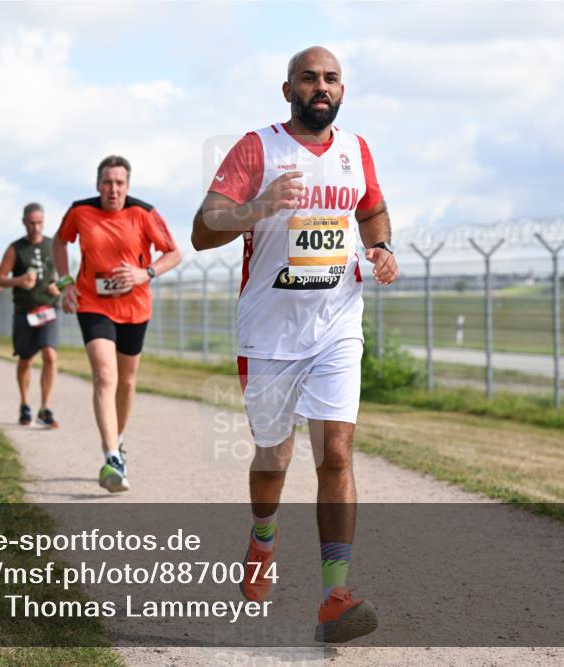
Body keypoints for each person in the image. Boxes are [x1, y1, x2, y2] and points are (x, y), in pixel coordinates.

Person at [191, 46, 398, 643]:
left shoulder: (356, 151)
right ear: (288, 90)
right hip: (269, 333)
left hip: (337, 324)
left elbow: (374, 211)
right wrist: (258, 206)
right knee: (272, 459)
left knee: (335, 453)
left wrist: (381, 248)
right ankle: (262, 538)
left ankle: (336, 594)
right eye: (309, 78)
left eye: (331, 78)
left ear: (342, 88)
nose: (321, 87)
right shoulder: (257, 148)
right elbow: (203, 231)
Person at [53, 155, 181, 493]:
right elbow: (59, 241)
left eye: (120, 183)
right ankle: (111, 456)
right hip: (92, 303)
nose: (113, 189)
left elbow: (173, 253)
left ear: (127, 186)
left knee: (126, 381)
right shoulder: (80, 212)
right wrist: (65, 282)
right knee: (105, 374)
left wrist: (145, 272)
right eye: (107, 182)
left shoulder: (144, 213)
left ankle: (118, 439)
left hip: (135, 307)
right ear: (98, 185)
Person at [0, 203, 61, 428]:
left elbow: (68, 276)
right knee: (26, 360)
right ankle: (25, 404)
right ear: (24, 222)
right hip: (25, 312)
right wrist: (20, 281)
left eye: (40, 223)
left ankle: (46, 408)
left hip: (49, 309)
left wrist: (58, 286)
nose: (36, 227)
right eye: (31, 223)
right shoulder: (15, 248)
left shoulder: (54, 245)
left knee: (50, 356)